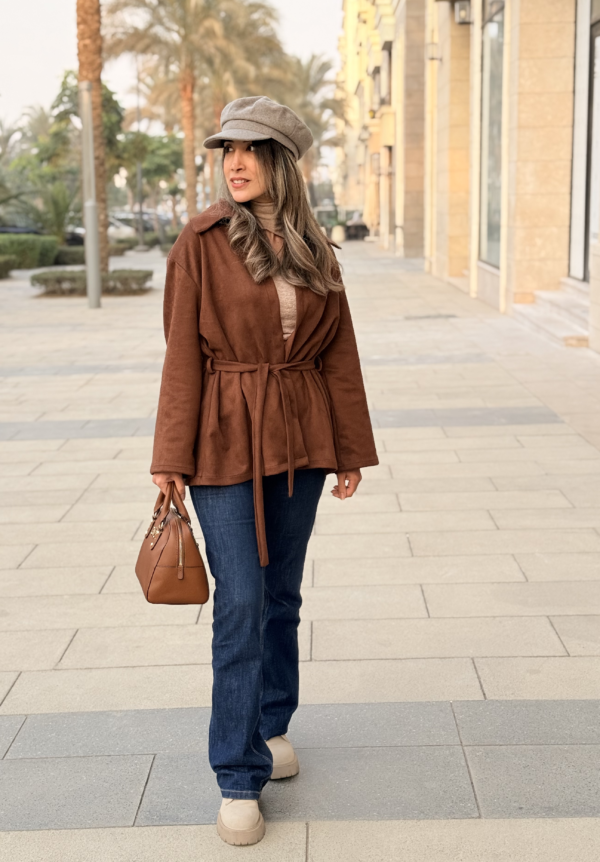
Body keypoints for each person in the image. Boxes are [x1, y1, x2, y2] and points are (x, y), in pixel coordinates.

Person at [150, 96, 378, 846]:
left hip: (302, 434)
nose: (235, 163)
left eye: (251, 150)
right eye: (227, 150)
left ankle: (274, 724)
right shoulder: (203, 240)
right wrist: (169, 458)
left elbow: (337, 355)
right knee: (240, 601)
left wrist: (348, 449)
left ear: (284, 162)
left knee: (281, 594)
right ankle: (238, 774)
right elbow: (182, 354)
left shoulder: (315, 244)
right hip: (222, 437)